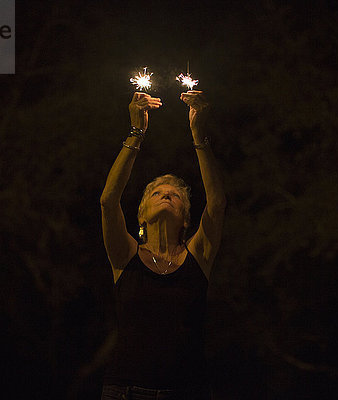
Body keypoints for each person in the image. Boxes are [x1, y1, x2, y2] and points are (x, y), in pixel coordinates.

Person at [100, 90, 226, 400]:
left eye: (175, 195)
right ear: (140, 214)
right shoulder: (126, 257)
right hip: (126, 391)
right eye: (157, 193)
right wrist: (136, 132)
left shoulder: (198, 256)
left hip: (188, 391)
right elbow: (107, 200)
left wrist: (199, 135)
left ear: (186, 218)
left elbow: (218, 202)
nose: (166, 194)